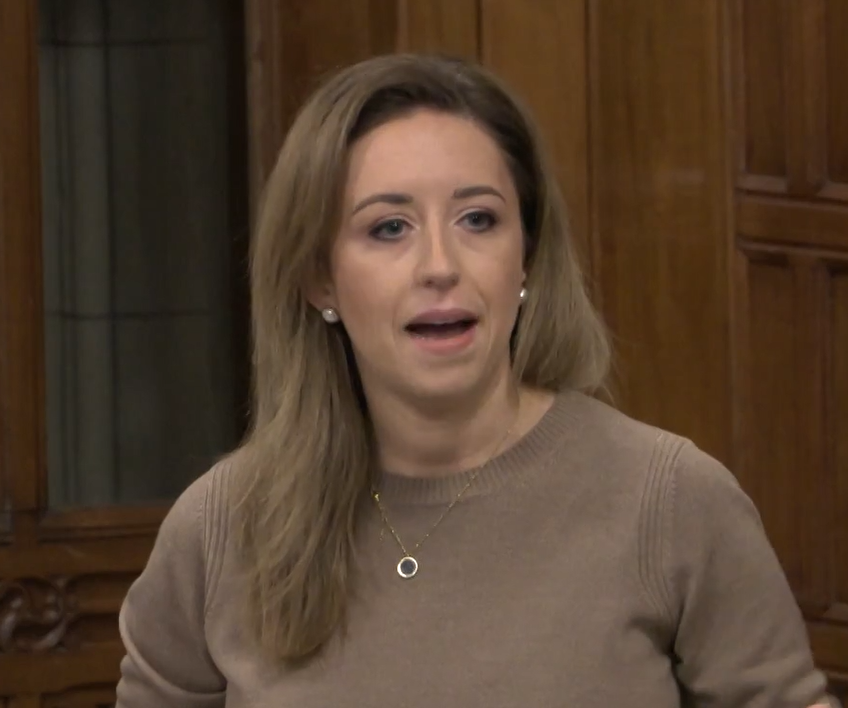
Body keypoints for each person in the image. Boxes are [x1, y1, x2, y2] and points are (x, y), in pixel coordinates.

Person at [115, 53, 836, 707]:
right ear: (318, 279)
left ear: (526, 257)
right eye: (389, 228)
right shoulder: (222, 525)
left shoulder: (671, 498)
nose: (440, 265)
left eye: (478, 219)